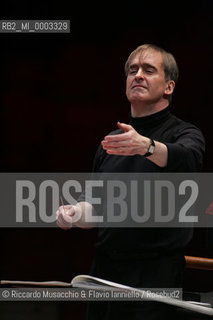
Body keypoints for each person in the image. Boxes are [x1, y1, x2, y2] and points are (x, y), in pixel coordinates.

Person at [56, 44, 205, 319]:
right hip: (105, 272)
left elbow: (188, 160)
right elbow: (98, 209)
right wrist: (76, 213)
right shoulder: (111, 141)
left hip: (154, 273)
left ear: (168, 87)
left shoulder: (185, 133)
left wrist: (146, 147)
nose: (137, 75)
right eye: (132, 70)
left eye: (148, 70)